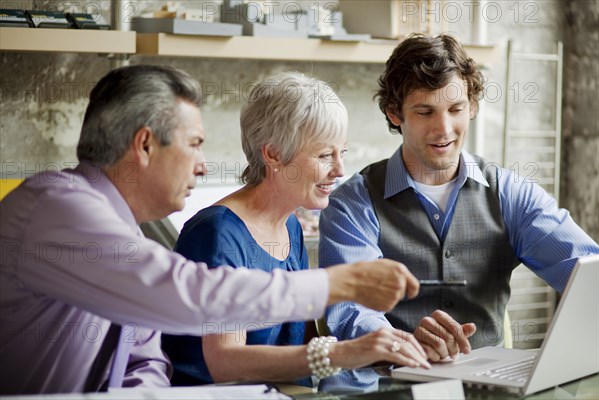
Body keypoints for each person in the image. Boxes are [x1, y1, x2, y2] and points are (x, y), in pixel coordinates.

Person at [0, 65, 422, 395]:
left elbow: (145, 363)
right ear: (145, 146)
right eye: (195, 144)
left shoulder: (125, 232)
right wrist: (338, 285)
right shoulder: (58, 207)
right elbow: (194, 295)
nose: (204, 166)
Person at [318, 34, 599, 362]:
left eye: (456, 109)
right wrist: (400, 344)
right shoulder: (351, 203)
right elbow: (350, 309)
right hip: (384, 385)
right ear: (395, 113)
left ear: (474, 107)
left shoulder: (510, 194)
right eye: (425, 112)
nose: (445, 129)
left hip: (487, 387)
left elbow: (586, 275)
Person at [161, 72, 431, 387]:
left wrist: (388, 347)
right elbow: (225, 362)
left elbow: (296, 341)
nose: (339, 170)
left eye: (341, 153)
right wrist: (343, 353)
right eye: (324, 155)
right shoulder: (218, 233)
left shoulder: (290, 225)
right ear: (273, 154)